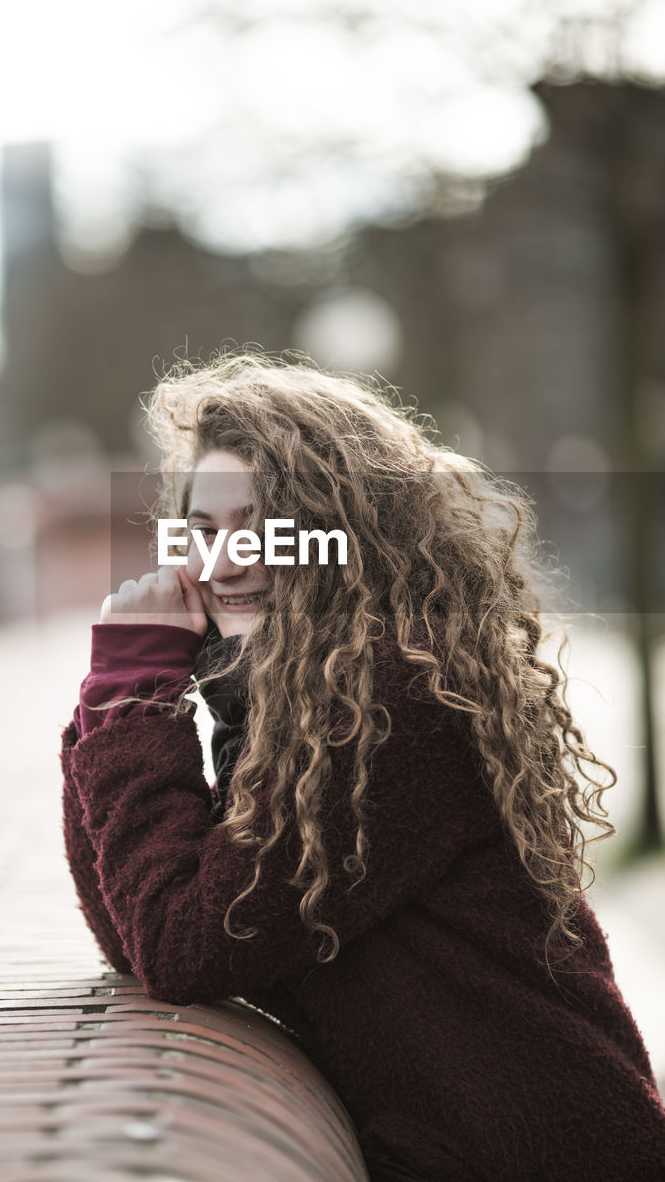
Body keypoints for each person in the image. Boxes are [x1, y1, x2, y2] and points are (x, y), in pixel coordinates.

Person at [58, 350, 665, 1181]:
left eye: (262, 526)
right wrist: (114, 699)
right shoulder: (283, 704)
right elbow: (135, 929)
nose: (224, 560)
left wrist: (131, 704)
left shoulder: (392, 704)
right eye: (201, 532)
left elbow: (183, 943)